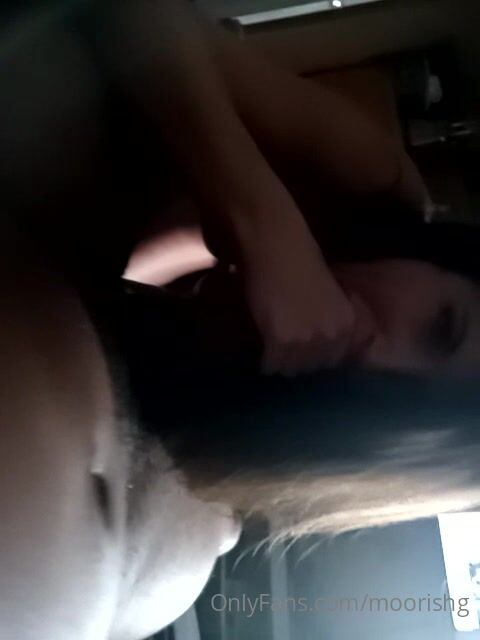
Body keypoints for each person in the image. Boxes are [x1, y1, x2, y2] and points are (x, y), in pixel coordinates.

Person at [1, 1, 479, 639]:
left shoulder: (209, 501)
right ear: (443, 262)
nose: (376, 356)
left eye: (410, 409)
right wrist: (263, 221)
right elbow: (145, 15)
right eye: (439, 328)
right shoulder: (369, 183)